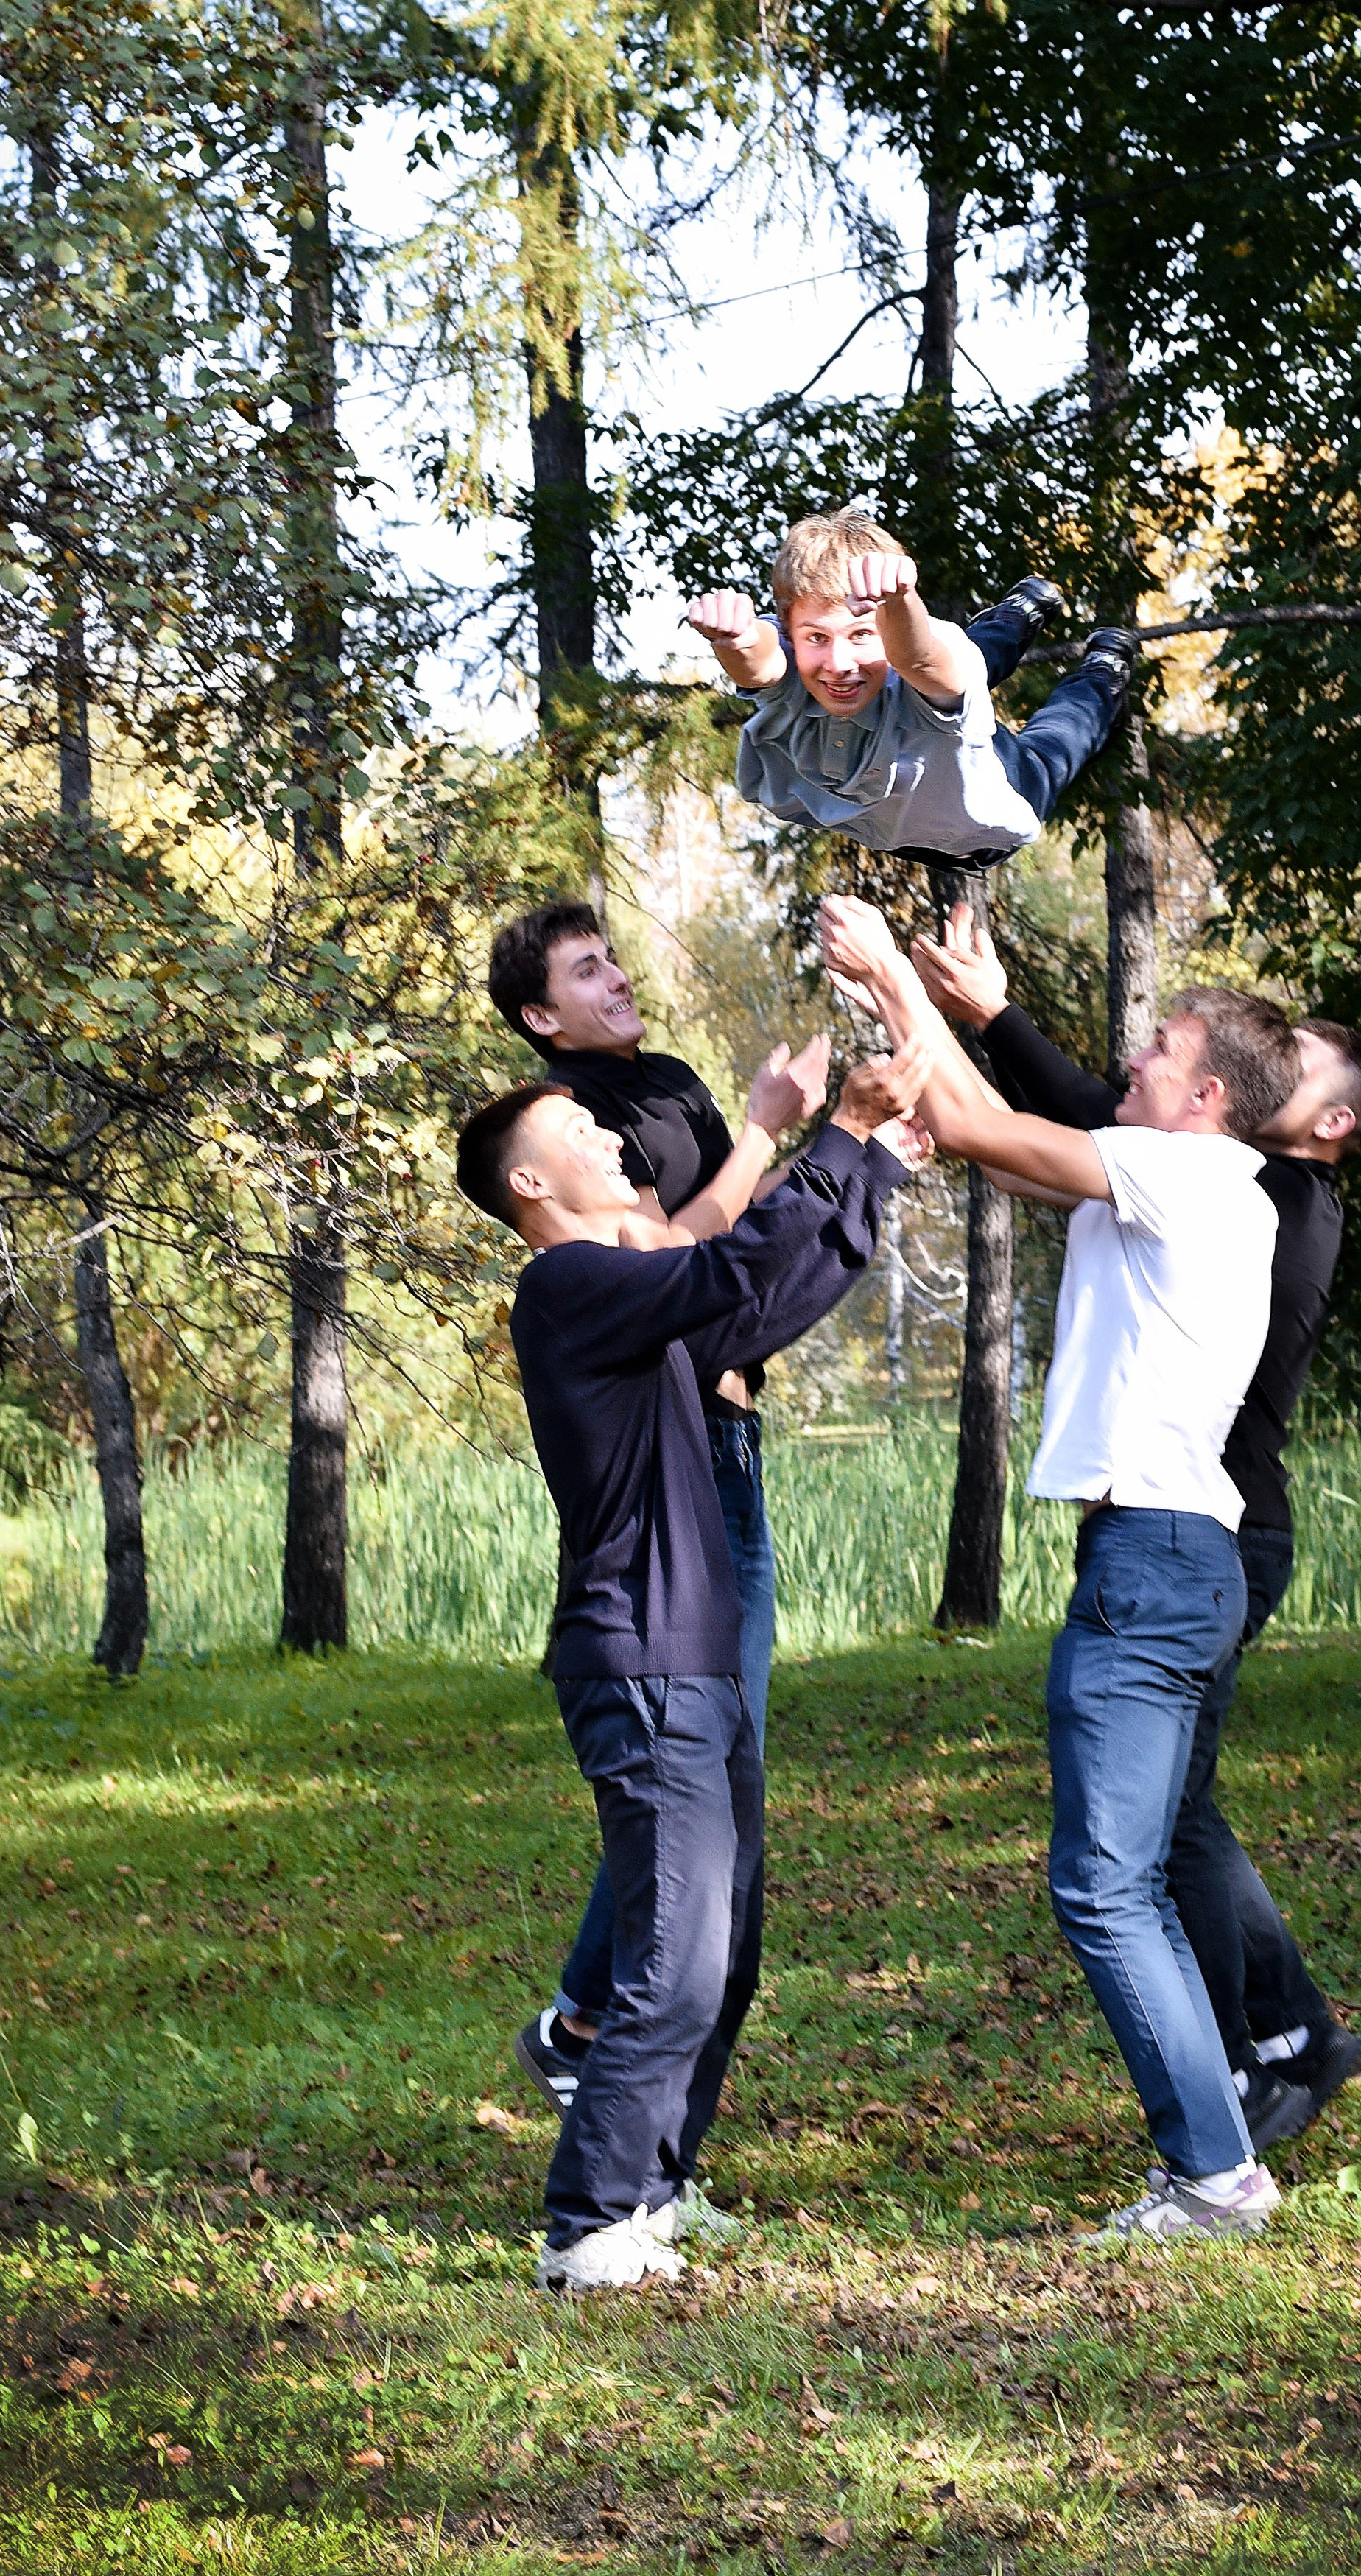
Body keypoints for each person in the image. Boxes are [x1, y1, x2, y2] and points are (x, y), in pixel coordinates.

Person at [820, 893, 1301, 2242]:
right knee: (1124, 1878)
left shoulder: (1195, 1177)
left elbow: (982, 1129)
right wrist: (952, 1014)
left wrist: (890, 984)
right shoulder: (1174, 1181)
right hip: (1165, 1555)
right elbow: (999, 1140)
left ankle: (1216, 2176)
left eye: (1158, 1049)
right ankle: (1220, 2161)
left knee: (1103, 1883)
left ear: (1207, 1097)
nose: (1130, 1059)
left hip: (1155, 1560)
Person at [911, 905, 1361, 2144]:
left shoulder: (1253, 1184)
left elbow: (1065, 1123)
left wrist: (943, 1008)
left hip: (1199, 1535)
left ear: (1312, 1119)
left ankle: (1238, 2075)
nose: (1269, 1069)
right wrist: (977, 1023)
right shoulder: (1222, 1172)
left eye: (1293, 1066)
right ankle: (1276, 2044)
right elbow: (1049, 1139)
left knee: (1137, 1853)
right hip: (1184, 1535)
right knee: (1166, 1824)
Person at [453, 1046, 929, 2292]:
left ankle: (651, 2194)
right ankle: (588, 2224)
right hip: (643, 1663)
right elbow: (726, 1267)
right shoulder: (565, 1284)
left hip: (697, 1663)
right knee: (672, 1955)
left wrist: (869, 1168)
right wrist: (839, 1135)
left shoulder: (630, 1295)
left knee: (723, 1951)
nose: (612, 1141)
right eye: (580, 1135)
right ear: (529, 1182)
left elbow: (759, 1303)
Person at [485, 899, 830, 2118]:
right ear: (542, 1018)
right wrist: (766, 1130)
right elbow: (670, 1257)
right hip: (678, 1455)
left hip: (731, 1435)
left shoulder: (670, 1083)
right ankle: (592, 2025)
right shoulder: (576, 1124)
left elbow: (739, 1234)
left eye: (614, 958)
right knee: (705, 1773)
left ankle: (594, 2025)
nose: (617, 978)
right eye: (587, 971)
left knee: (727, 1766)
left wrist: (846, 1163)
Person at [685, 509, 1135, 865]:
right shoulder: (794, 667)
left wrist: (898, 600)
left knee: (1047, 736)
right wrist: (734, 639)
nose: (838, 666)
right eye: (817, 637)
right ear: (792, 631)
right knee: (965, 661)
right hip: (905, 806)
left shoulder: (908, 652)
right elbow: (760, 663)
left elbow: (917, 658)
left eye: (861, 635)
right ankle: (1023, 611)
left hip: (990, 802)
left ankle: (1101, 671)